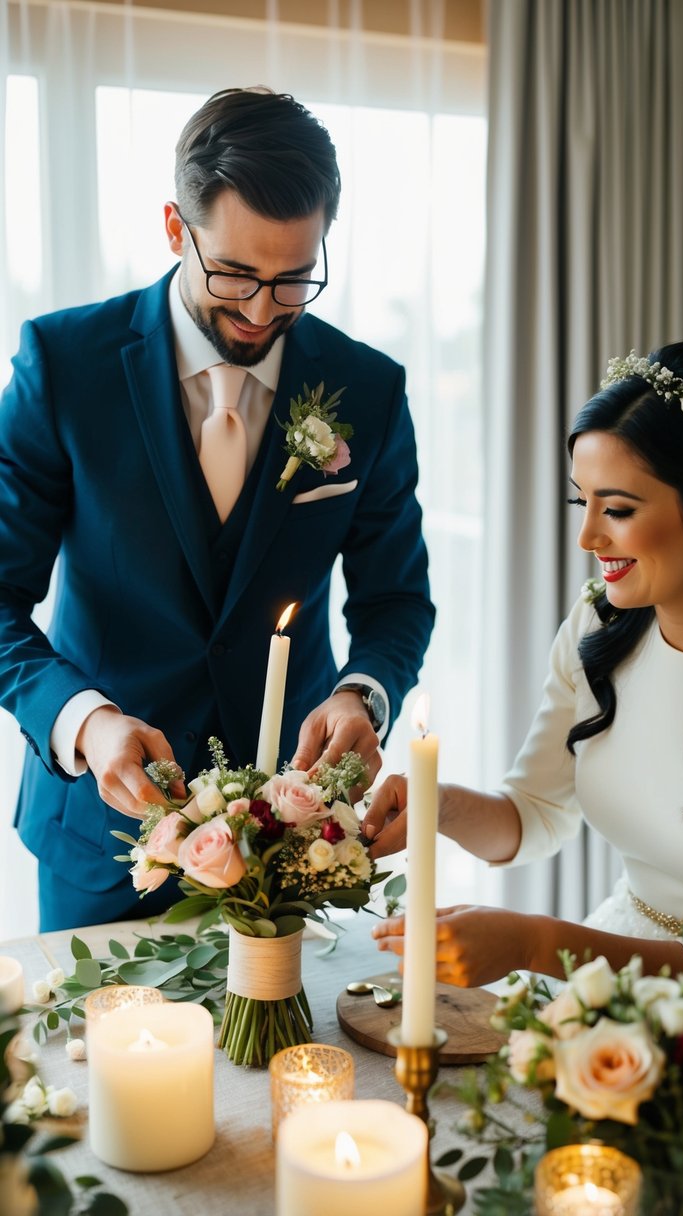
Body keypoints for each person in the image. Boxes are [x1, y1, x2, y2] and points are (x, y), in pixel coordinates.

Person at [0, 87, 434, 931]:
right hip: (104, 832)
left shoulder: (368, 390)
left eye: (293, 279)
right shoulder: (64, 364)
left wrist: (362, 695)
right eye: (234, 273)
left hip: (292, 832)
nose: (262, 309)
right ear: (176, 229)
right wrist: (83, 723)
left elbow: (395, 601)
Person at [367, 340, 683, 1021]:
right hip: (610, 967)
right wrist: (436, 806)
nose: (586, 537)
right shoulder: (599, 626)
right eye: (579, 502)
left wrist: (536, 941)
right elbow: (535, 814)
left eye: (615, 510)